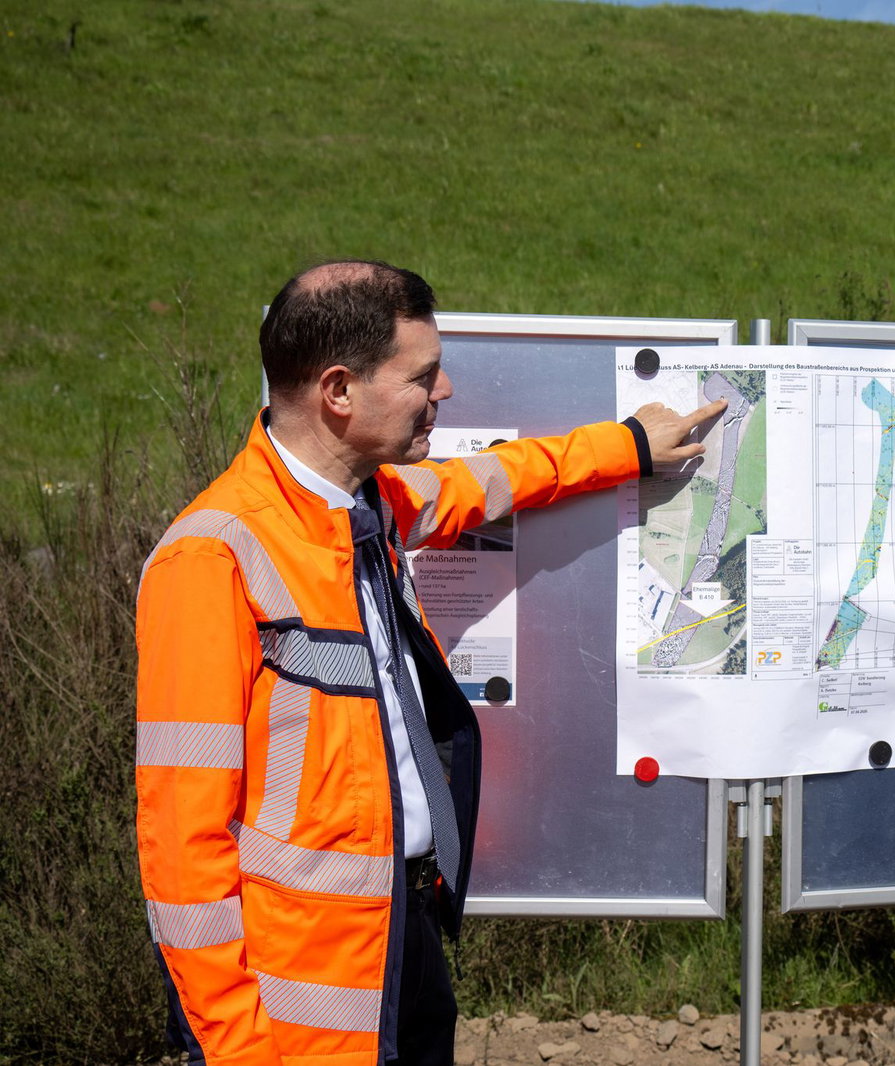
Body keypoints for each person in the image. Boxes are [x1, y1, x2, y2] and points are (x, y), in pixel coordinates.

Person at [135, 260, 725, 1066]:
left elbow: (489, 480)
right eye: (422, 375)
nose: (443, 392)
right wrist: (235, 1049)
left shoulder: (369, 507)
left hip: (402, 948)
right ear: (338, 392)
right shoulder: (211, 558)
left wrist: (625, 447)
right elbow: (181, 848)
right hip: (296, 1020)